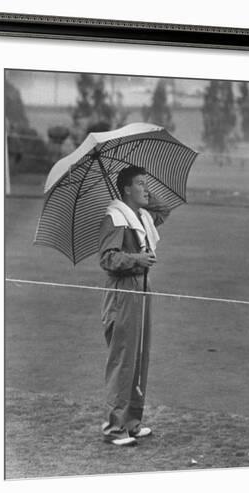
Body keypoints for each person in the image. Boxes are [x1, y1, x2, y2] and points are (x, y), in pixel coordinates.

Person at [98, 165, 171, 446]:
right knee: (123, 357)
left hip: (142, 286)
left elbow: (164, 210)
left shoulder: (139, 217)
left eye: (146, 183)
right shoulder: (115, 218)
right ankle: (114, 428)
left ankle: (132, 421)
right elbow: (107, 259)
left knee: (140, 355)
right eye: (140, 183)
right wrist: (136, 260)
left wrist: (145, 196)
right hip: (123, 290)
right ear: (126, 188)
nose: (146, 187)